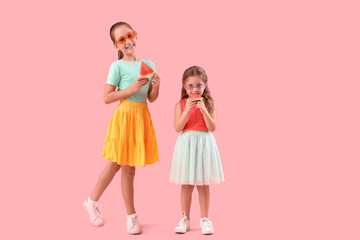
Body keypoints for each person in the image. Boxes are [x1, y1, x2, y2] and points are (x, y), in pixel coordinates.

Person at [83, 22, 161, 235]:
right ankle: (130, 216)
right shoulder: (116, 66)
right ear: (116, 46)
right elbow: (106, 97)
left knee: (123, 166)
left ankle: (92, 201)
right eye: (121, 39)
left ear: (136, 35)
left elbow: (151, 99)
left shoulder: (149, 63)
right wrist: (130, 89)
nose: (128, 41)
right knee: (120, 165)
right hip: (125, 117)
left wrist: (156, 87)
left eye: (130, 35)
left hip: (141, 117)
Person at [170, 66, 224, 235]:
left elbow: (212, 127)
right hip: (187, 143)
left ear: (205, 85)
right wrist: (187, 109)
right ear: (184, 87)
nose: (194, 89)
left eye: (199, 85)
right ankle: (185, 218)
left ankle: (205, 219)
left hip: (204, 143)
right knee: (186, 185)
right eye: (190, 86)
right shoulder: (180, 104)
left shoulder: (210, 104)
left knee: (203, 184)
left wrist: (203, 109)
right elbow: (177, 127)